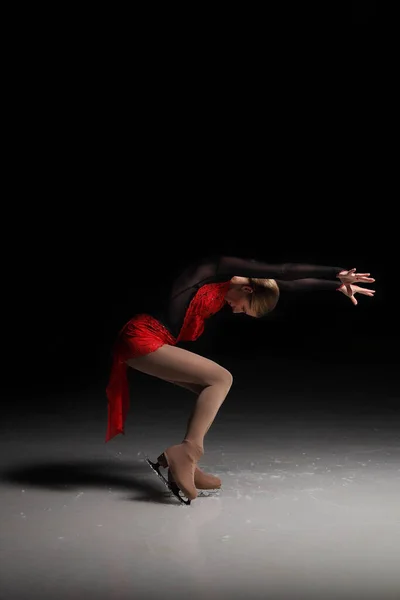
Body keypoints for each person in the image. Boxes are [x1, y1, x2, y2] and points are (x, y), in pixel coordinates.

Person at [105, 255, 375, 502]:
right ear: (247, 290)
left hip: (148, 340)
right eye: (244, 308)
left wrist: (336, 287)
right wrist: (336, 272)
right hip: (142, 336)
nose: (234, 311)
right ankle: (186, 453)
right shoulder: (209, 270)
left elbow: (286, 285)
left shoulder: (241, 288)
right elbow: (282, 270)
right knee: (221, 379)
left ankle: (184, 461)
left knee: (208, 390)